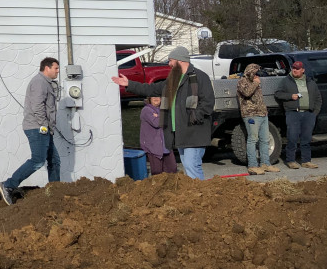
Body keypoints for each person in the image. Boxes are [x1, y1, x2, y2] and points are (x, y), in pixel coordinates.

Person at [111, 46, 214, 180]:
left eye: (171, 60)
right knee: (188, 166)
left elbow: (208, 102)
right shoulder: (173, 79)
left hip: (193, 132)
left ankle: (199, 196)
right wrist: (129, 84)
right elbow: (152, 89)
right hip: (180, 133)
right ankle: (195, 195)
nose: (169, 64)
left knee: (191, 165)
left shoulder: (200, 77)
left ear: (180, 60)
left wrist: (194, 117)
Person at [0, 57, 61, 206]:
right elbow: (37, 106)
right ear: (47, 68)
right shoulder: (39, 83)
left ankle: (55, 193)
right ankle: (8, 185)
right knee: (38, 161)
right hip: (37, 128)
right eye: (56, 68)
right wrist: (43, 125)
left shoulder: (46, 83)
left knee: (54, 161)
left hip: (44, 129)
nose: (58, 71)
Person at [274, 60, 322, 169]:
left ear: (303, 70)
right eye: (294, 68)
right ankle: (291, 160)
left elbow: (318, 98)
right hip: (293, 113)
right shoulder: (286, 81)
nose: (295, 70)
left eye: (297, 68)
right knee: (292, 137)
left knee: (306, 138)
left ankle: (306, 161)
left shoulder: (310, 82)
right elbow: (278, 94)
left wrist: (314, 113)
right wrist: (290, 96)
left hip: (308, 114)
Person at [237, 63, 280, 175]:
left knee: (264, 139)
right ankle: (252, 165)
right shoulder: (242, 82)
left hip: (262, 114)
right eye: (255, 72)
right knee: (252, 139)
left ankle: (265, 163)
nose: (257, 75)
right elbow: (247, 93)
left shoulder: (256, 83)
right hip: (251, 115)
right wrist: (256, 83)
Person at [140, 95, 177, 175]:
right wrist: (164, 115)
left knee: (172, 169)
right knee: (157, 173)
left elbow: (172, 120)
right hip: (153, 147)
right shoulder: (146, 110)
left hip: (166, 146)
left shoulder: (164, 109)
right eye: (153, 97)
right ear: (149, 99)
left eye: (158, 96)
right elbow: (157, 123)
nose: (156, 98)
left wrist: (159, 115)